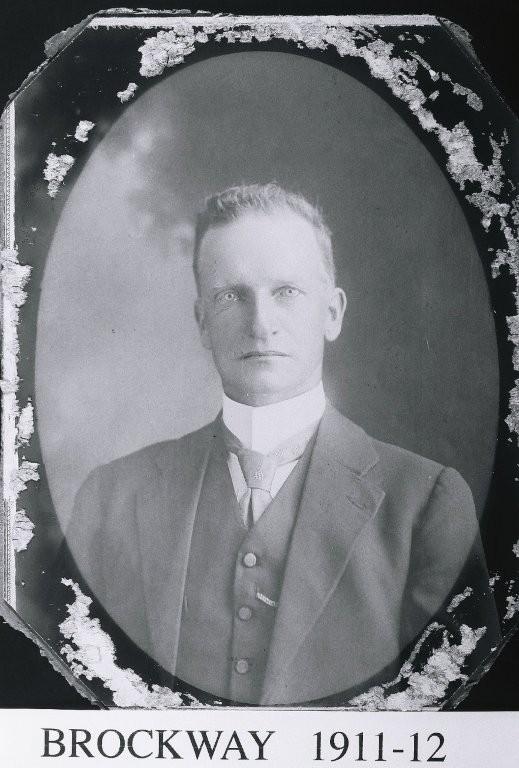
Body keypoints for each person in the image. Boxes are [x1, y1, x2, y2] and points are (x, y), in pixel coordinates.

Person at [66, 182, 498, 705]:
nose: (261, 324)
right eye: (231, 296)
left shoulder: (424, 504)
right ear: (202, 322)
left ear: (332, 313)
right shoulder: (111, 499)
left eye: (287, 292)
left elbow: (459, 719)